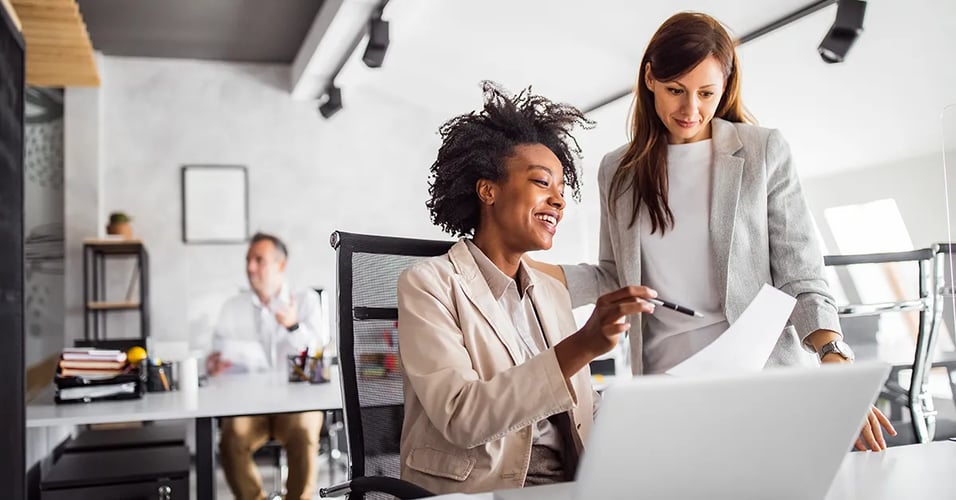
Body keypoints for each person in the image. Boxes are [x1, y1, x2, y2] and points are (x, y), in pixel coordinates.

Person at [528, 12, 896, 452]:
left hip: (761, 382)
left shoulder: (763, 151)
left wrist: (833, 357)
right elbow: (613, 276)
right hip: (667, 388)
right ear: (650, 78)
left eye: (706, 93)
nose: (691, 110)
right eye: (675, 91)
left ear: (725, 86)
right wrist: (522, 269)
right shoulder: (618, 170)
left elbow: (800, 276)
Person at [397, 82, 657, 495]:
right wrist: (584, 345)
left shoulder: (550, 289)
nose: (559, 201)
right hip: (486, 487)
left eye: (561, 189)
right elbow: (463, 417)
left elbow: (580, 406)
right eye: (542, 183)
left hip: (572, 480)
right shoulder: (428, 285)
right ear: (488, 190)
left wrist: (653, 413)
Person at [205, 232, 328, 500]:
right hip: (248, 406)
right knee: (231, 437)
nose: (250, 267)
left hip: (297, 405)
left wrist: (293, 325)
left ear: (280, 265)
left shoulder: (306, 301)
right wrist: (213, 363)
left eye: (258, 260)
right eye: (248, 260)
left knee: (305, 432)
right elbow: (216, 353)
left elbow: (318, 355)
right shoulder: (232, 307)